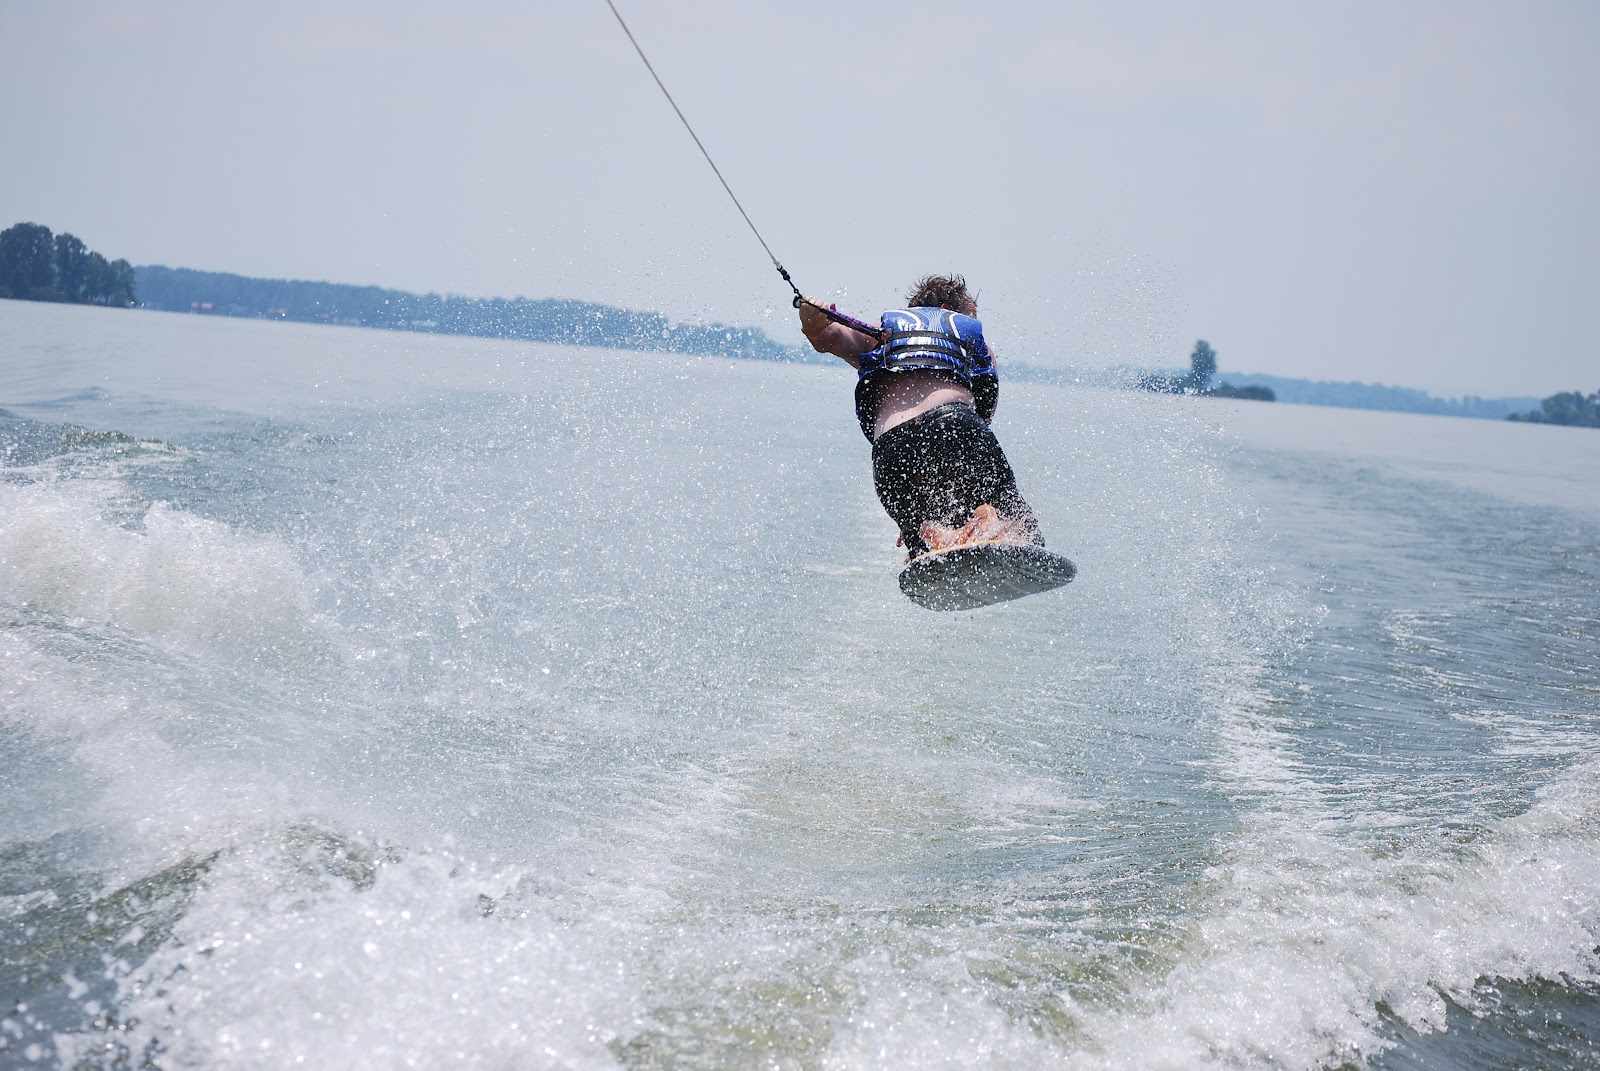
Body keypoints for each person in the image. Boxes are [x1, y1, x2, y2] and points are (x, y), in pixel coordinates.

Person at [797, 274, 1045, 559]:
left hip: (892, 453)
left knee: (922, 542)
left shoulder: (878, 334)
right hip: (956, 427)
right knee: (1025, 531)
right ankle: (989, 520)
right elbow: (982, 417)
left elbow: (826, 337)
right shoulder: (976, 345)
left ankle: (930, 532)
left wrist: (810, 319)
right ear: (948, 309)